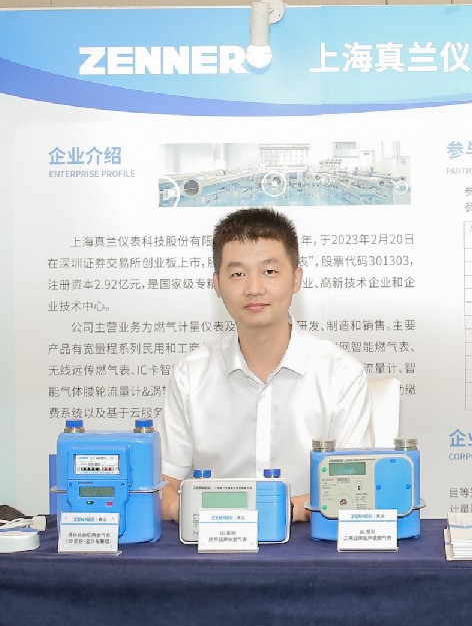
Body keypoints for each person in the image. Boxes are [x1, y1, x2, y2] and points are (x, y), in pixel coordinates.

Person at [159, 207, 371, 525]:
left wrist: (267, 513)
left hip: (311, 542)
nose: (254, 288)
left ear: (296, 278)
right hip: (214, 539)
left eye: (269, 271)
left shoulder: (340, 374)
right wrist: (189, 512)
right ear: (217, 284)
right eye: (237, 274)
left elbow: (354, 489)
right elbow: (161, 485)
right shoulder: (190, 375)